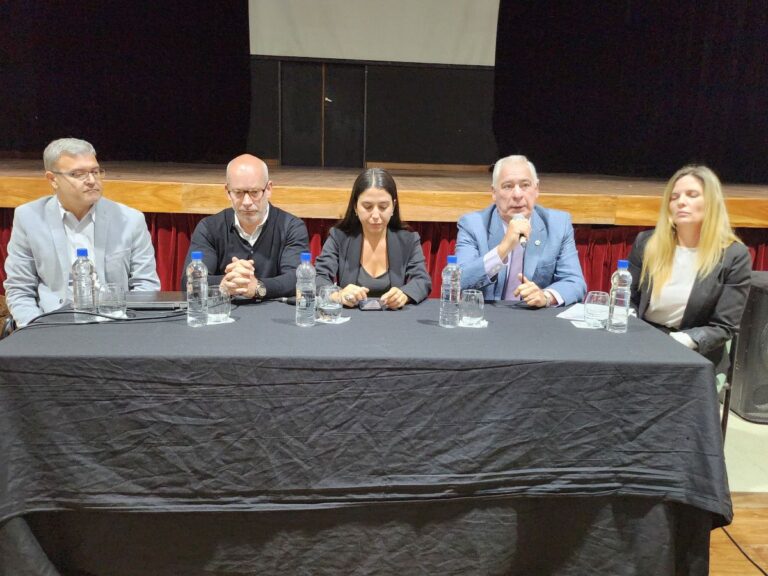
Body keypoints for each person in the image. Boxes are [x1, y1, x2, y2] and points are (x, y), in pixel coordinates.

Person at [3, 138, 160, 327]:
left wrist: (129, 328)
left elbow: (146, 286)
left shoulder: (130, 219)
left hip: (115, 324)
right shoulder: (29, 217)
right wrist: (34, 329)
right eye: (78, 174)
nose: (92, 181)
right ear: (53, 179)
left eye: (95, 171)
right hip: (51, 326)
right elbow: (19, 289)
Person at [628, 165, 751, 374]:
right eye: (674, 197)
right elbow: (630, 299)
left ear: (711, 203)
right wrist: (629, 322)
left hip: (694, 353)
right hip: (642, 342)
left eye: (692, 195)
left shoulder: (733, 256)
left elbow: (724, 327)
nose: (681, 202)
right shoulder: (646, 243)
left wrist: (677, 342)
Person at [456, 155, 586, 306]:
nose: (517, 195)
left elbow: (575, 282)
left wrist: (546, 297)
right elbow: (460, 280)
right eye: (508, 186)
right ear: (494, 192)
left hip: (534, 320)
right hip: (488, 316)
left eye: (525, 185)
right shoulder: (473, 224)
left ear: (536, 189)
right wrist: (503, 249)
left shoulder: (558, 224)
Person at [183, 154, 308, 300]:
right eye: (238, 193)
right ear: (227, 192)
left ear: (268, 189)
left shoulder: (291, 227)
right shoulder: (209, 228)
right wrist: (225, 282)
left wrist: (258, 287)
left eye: (254, 192)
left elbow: (296, 278)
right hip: (223, 314)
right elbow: (188, 281)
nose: (247, 201)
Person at [315, 168, 431, 309]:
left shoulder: (408, 241)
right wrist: (337, 295)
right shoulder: (339, 237)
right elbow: (318, 278)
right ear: (355, 207)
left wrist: (404, 295)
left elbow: (422, 280)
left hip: (394, 322)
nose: (375, 215)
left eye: (383, 207)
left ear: (393, 206)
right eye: (367, 206)